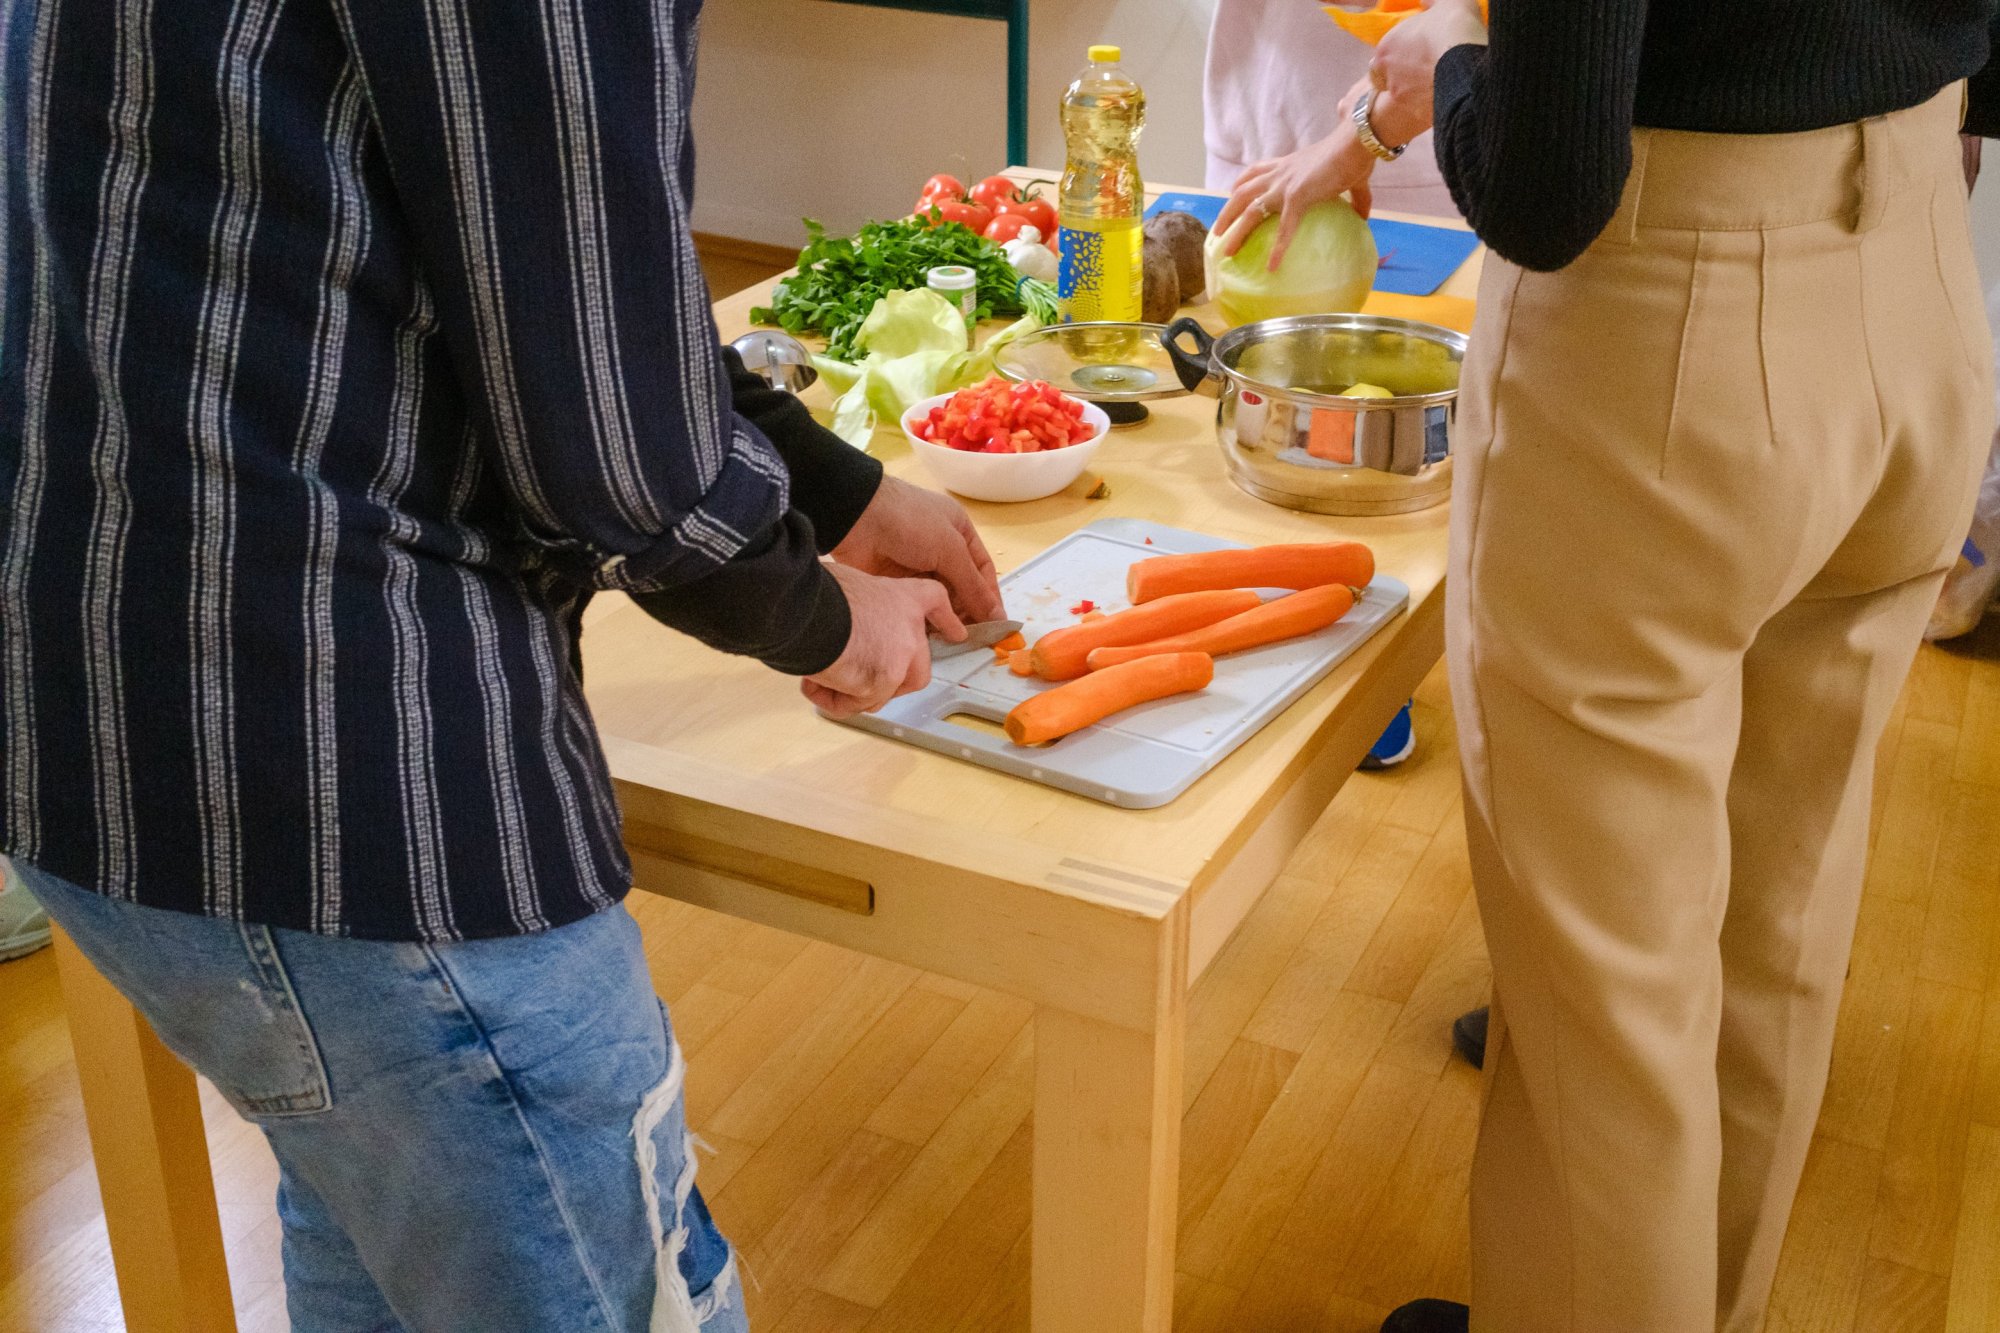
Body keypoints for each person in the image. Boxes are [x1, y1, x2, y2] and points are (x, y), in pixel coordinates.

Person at [1, 3, 1000, 1330]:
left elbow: (549, 265)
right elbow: (613, 444)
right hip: (334, 745)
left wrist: (840, 488)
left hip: (97, 694)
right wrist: (817, 611)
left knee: (382, 1226)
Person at [1218, 2, 2000, 1330]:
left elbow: (1547, 185)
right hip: (1922, 253)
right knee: (1776, 926)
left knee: (1608, 1014)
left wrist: (1450, 66)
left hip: (1673, 307)